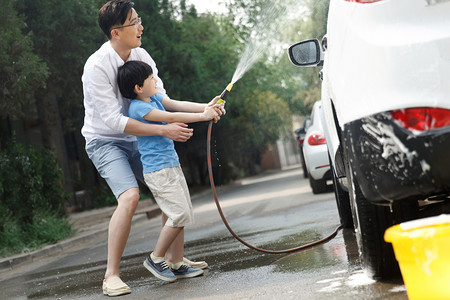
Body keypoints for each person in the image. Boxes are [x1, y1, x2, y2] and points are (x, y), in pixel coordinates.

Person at [81, 0, 224, 296]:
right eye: (134, 22)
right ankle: (111, 276)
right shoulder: (96, 67)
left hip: (140, 136)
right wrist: (164, 130)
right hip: (105, 140)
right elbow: (114, 121)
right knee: (130, 196)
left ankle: (174, 262)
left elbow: (163, 101)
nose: (140, 26)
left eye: (138, 19)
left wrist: (205, 108)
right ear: (116, 32)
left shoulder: (141, 54)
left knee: (169, 191)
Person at [117, 60, 224, 283]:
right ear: (138, 87)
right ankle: (156, 258)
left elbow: (176, 104)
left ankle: (175, 262)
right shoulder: (138, 108)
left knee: (184, 212)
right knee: (179, 214)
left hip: (171, 165)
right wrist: (203, 116)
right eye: (150, 78)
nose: (155, 80)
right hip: (159, 171)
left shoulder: (153, 98)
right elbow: (170, 118)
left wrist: (206, 106)